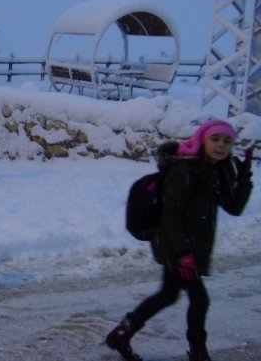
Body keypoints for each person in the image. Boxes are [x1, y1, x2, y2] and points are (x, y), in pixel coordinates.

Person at [105, 119, 253, 361]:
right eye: (215, 139)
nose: (221, 145)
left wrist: (244, 178)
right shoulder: (184, 170)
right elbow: (170, 214)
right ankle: (198, 352)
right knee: (200, 299)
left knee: (167, 295)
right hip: (176, 245)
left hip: (190, 246)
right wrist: (183, 253)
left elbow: (234, 207)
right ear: (202, 141)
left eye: (227, 141)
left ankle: (121, 334)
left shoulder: (219, 170)